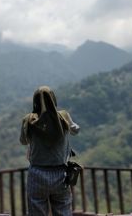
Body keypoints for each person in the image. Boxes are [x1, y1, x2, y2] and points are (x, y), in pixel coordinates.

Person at [20, 86, 80, 216]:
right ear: (53, 99)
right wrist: (72, 126)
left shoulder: (29, 120)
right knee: (63, 211)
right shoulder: (63, 116)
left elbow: (23, 141)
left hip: (37, 174)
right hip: (60, 174)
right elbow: (75, 130)